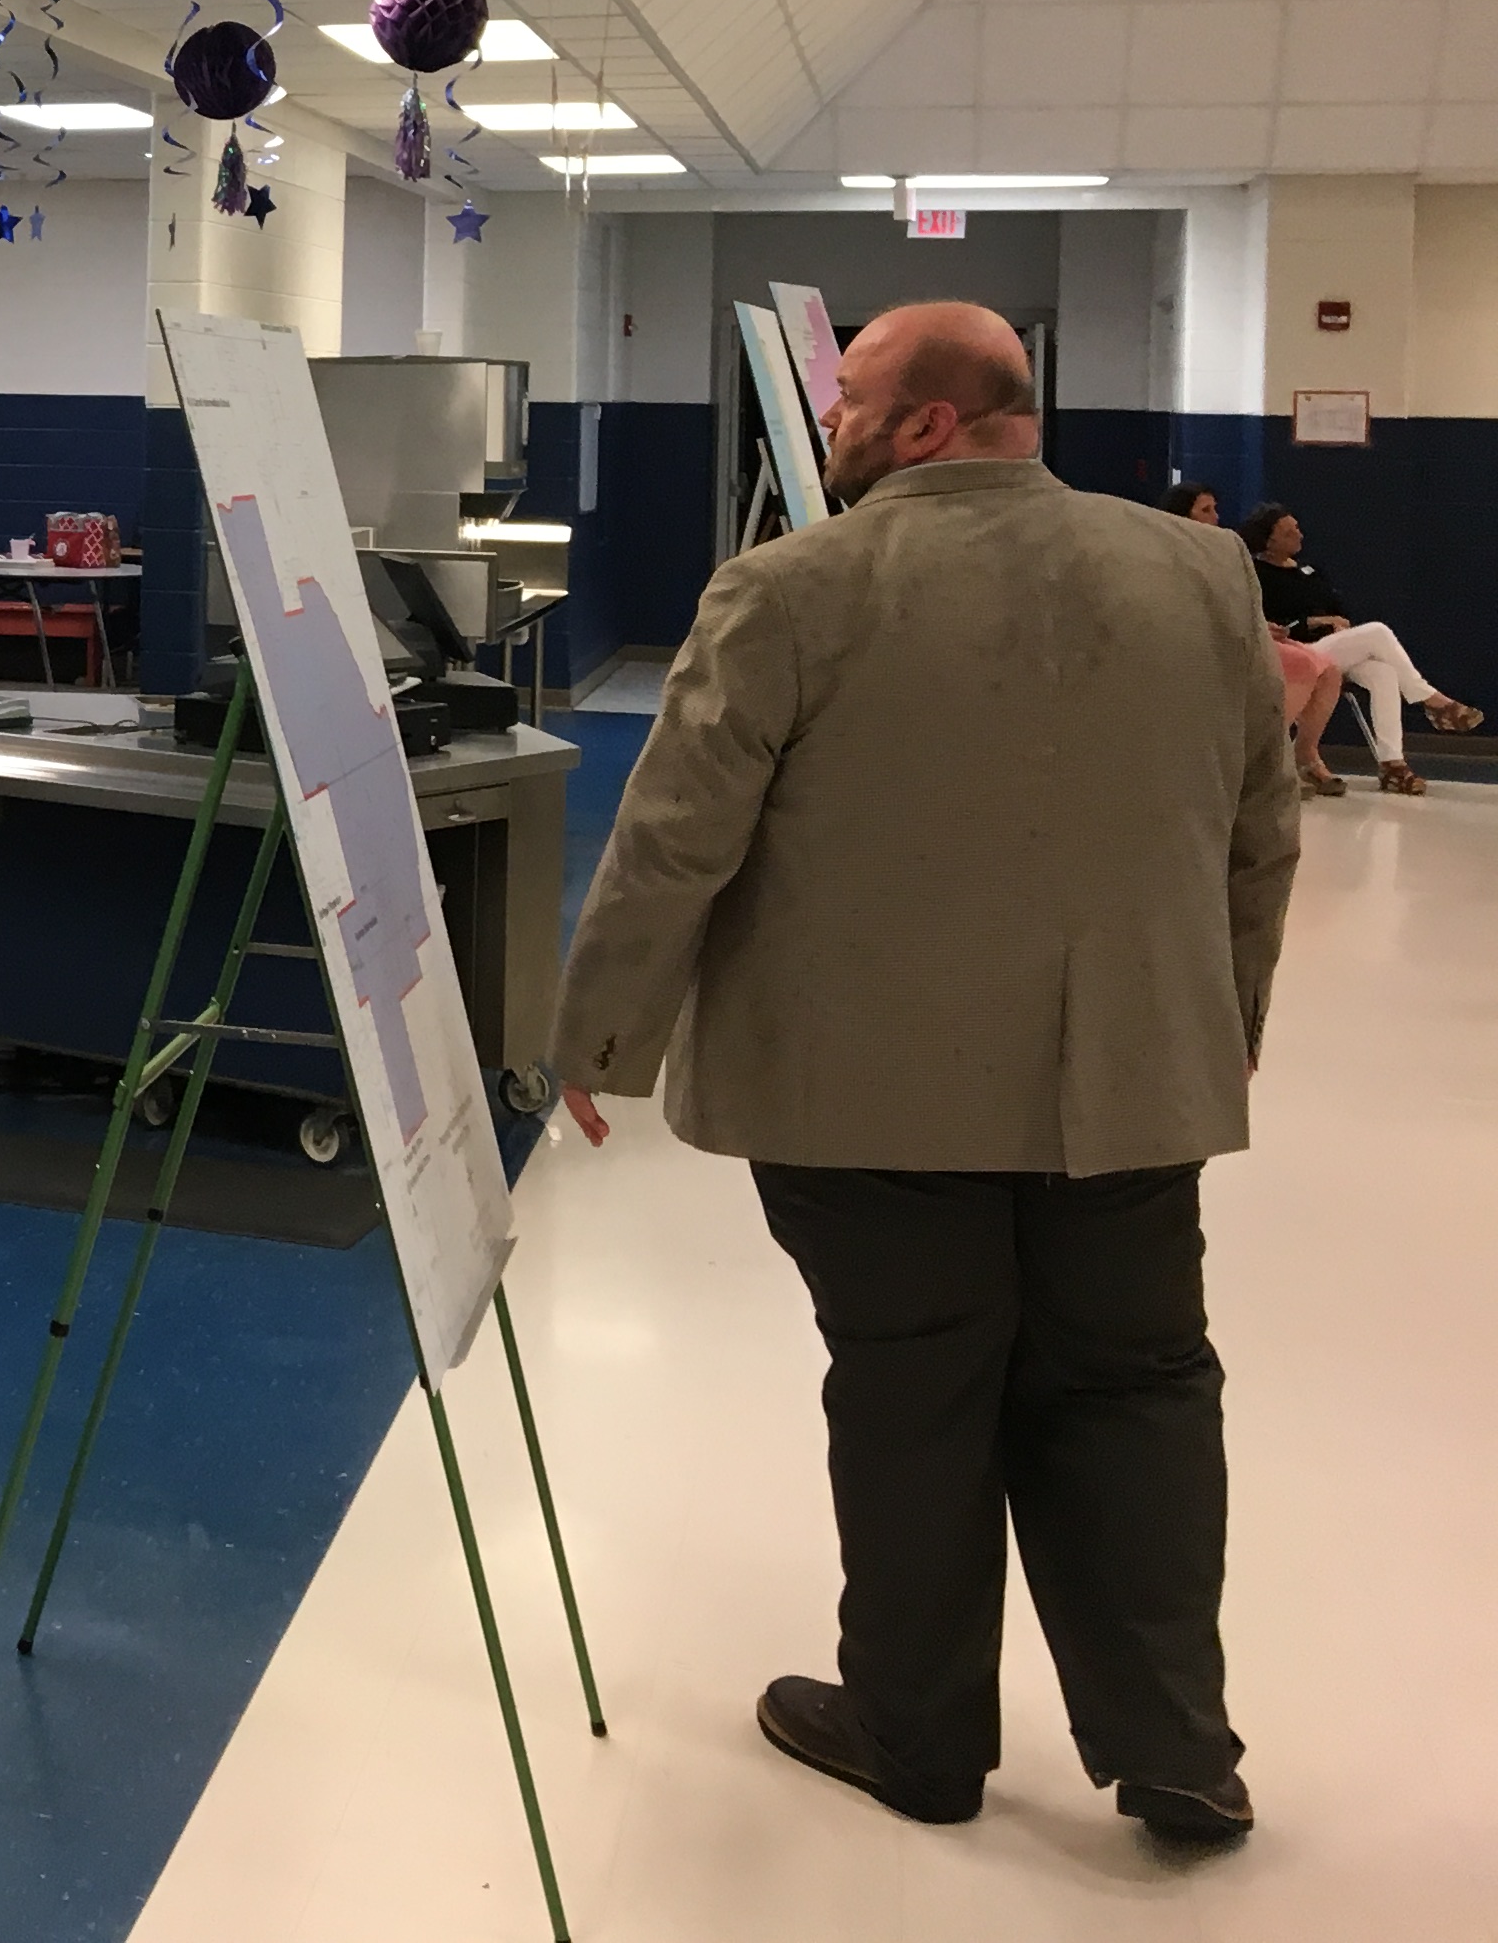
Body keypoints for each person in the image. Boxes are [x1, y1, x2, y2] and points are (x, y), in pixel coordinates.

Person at [555, 302, 1296, 1847]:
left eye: (846, 406)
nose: (826, 426)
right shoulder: (1200, 574)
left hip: (864, 1103)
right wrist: (1219, 1023)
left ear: (925, 424)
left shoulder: (791, 589)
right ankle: (1177, 1743)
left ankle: (920, 1736)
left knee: (913, 1395)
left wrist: (599, 1039)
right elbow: (1258, 831)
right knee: (1139, 1390)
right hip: (1126, 1091)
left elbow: (677, 838)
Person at [1239, 502, 1479, 797]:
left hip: (1332, 646)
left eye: (1298, 528)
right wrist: (1313, 622)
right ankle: (1432, 701)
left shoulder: (1310, 571)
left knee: (1384, 672)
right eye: (1289, 532)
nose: (1299, 535)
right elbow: (1271, 622)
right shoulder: (1258, 574)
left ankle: (1392, 764)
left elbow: (1338, 609)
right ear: (1269, 539)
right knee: (1377, 631)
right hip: (1297, 648)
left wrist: (1339, 625)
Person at [1169, 487, 1348, 798]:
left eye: (1215, 509)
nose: (1216, 517)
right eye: (1206, 511)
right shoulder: (1174, 553)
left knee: (1329, 670)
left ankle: (1303, 753)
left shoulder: (1224, 549)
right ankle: (1262, 760)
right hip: (1204, 635)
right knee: (1302, 664)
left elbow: (1241, 601)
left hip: (1244, 630)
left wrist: (1262, 625)